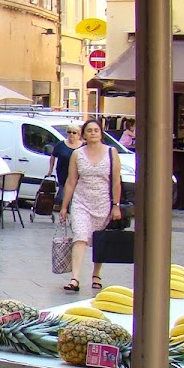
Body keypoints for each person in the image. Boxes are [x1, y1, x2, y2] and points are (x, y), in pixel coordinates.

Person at [59, 118, 124, 292]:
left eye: (96, 130)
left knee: (99, 240)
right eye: (89, 130)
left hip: (103, 202)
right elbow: (71, 181)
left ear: (101, 133)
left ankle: (96, 274)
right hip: (81, 201)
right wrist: (64, 206)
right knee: (80, 236)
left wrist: (116, 205)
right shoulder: (77, 154)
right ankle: (75, 278)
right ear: (84, 135)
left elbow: (116, 181)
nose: (93, 133)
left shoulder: (111, 152)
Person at [47, 124, 84, 209]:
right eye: (69, 132)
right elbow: (53, 156)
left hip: (77, 175)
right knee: (62, 195)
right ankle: (63, 210)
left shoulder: (83, 147)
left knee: (75, 197)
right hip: (63, 173)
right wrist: (50, 169)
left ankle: (71, 211)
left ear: (79, 134)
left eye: (74, 133)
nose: (71, 134)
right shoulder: (61, 144)